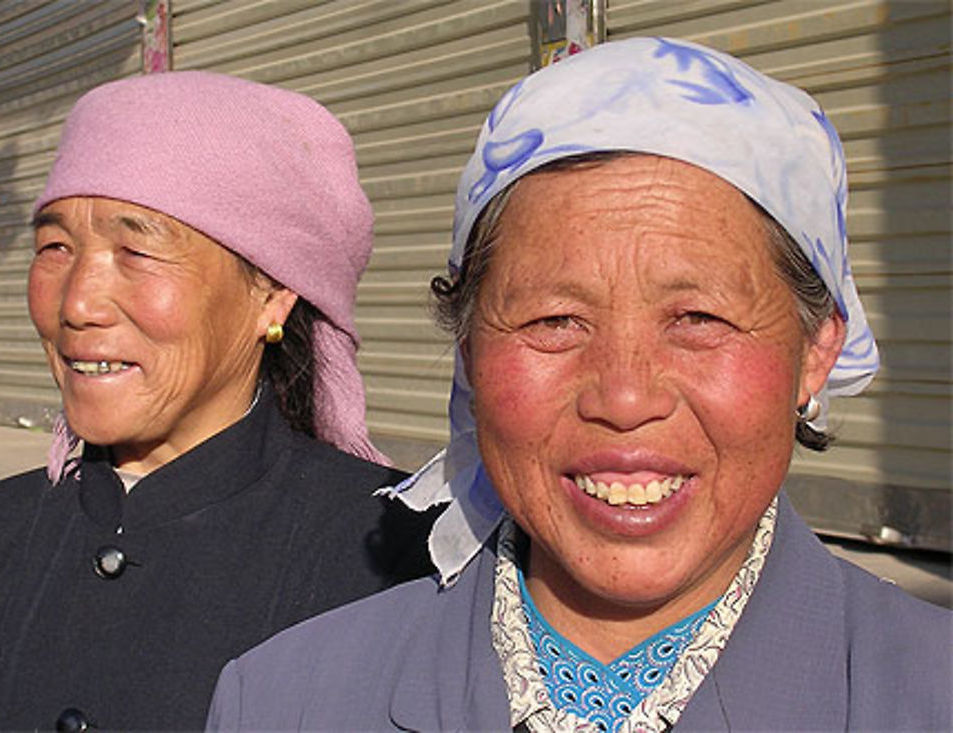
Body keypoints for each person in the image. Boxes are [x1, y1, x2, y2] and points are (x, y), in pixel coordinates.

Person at [206, 38, 952, 732]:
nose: (624, 399)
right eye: (555, 320)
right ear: (469, 351)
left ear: (817, 347)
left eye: (697, 317)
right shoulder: (286, 700)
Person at [0, 71, 436, 731]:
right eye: (55, 246)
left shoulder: (397, 560)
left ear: (272, 292)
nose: (77, 303)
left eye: (137, 250)